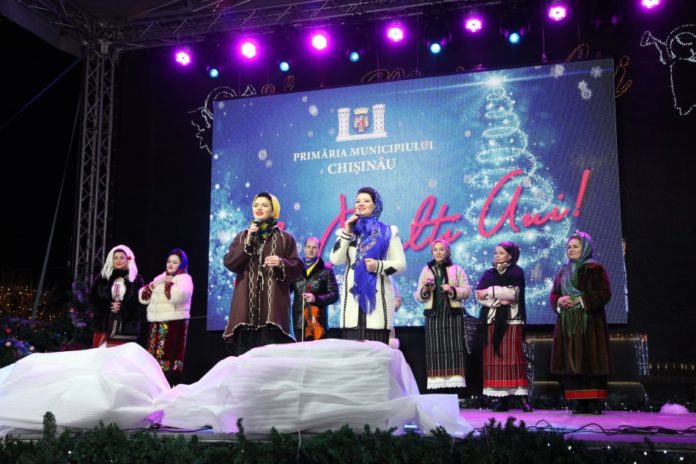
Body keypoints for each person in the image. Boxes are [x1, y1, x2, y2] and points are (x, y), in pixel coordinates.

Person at [222, 192, 304, 355]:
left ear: (273, 210)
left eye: (265, 205)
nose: (259, 208)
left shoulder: (285, 238)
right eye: (256, 205)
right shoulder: (243, 236)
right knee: (245, 361)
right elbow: (229, 262)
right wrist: (247, 242)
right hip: (246, 313)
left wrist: (282, 262)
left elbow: (297, 268)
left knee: (271, 360)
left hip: (273, 314)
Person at [329, 186, 406, 344]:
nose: (361, 204)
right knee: (353, 355)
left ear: (376, 205)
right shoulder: (348, 232)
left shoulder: (388, 232)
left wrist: (378, 266)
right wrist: (347, 232)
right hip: (352, 308)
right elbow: (335, 260)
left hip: (378, 307)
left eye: (366, 200)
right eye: (358, 201)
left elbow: (401, 265)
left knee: (377, 355)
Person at [549, 230, 611, 414]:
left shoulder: (595, 269)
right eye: (569, 247)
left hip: (589, 324)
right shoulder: (563, 272)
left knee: (590, 360)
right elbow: (554, 293)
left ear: (585, 248)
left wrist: (581, 300)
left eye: (575, 246)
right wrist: (559, 301)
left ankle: (593, 402)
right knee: (571, 362)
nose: (571, 250)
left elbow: (604, 293)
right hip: (567, 323)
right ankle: (577, 401)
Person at [475, 241, 531, 412]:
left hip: (511, 320)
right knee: (494, 359)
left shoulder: (516, 272)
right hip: (492, 320)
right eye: (495, 252)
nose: (497, 255)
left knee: (513, 357)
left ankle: (521, 397)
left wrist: (490, 291)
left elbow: (513, 293)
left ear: (510, 255)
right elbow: (478, 295)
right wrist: (497, 302)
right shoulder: (488, 273)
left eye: (501, 253)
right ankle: (499, 398)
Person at [414, 239, 471, 390]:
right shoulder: (426, 270)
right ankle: (438, 384)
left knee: (454, 347)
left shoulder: (457, 269)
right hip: (434, 314)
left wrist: (452, 290)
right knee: (435, 349)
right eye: (435, 250)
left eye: (441, 249)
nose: (438, 252)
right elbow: (418, 296)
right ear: (432, 252)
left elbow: (467, 291)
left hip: (453, 314)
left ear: (447, 252)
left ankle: (456, 385)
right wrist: (425, 290)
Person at [138, 248, 193, 384]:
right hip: (156, 324)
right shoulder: (161, 277)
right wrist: (156, 284)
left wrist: (169, 285)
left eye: (175, 262)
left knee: (168, 361)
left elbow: (179, 296)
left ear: (181, 264)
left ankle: (169, 387)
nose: (170, 264)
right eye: (169, 261)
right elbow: (143, 297)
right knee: (153, 361)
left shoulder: (184, 279)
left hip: (174, 324)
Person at [89, 244, 145, 348]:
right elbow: (92, 299)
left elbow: (140, 303)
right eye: (115, 258)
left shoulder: (136, 279)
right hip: (104, 326)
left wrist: (123, 308)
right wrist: (108, 306)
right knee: (101, 355)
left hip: (126, 328)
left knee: (121, 356)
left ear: (128, 260)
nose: (118, 260)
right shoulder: (103, 278)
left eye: (122, 258)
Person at [292, 237, 339, 341]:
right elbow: (286, 290)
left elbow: (334, 295)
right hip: (298, 320)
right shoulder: (295, 268)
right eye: (308, 247)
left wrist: (316, 299)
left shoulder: (327, 270)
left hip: (317, 322)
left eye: (314, 247)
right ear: (304, 248)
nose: (311, 250)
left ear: (319, 250)